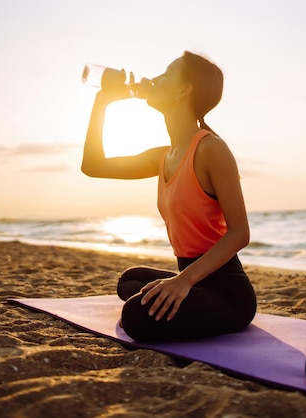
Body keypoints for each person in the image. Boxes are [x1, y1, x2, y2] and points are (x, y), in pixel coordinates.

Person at [81, 51, 257, 342]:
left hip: (228, 294)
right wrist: (103, 101)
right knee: (130, 280)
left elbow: (240, 233)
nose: (154, 78)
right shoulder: (163, 156)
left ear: (184, 90)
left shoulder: (211, 149)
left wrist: (184, 281)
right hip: (192, 278)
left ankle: (190, 297)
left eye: (166, 73)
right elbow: (93, 165)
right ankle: (185, 294)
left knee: (135, 317)